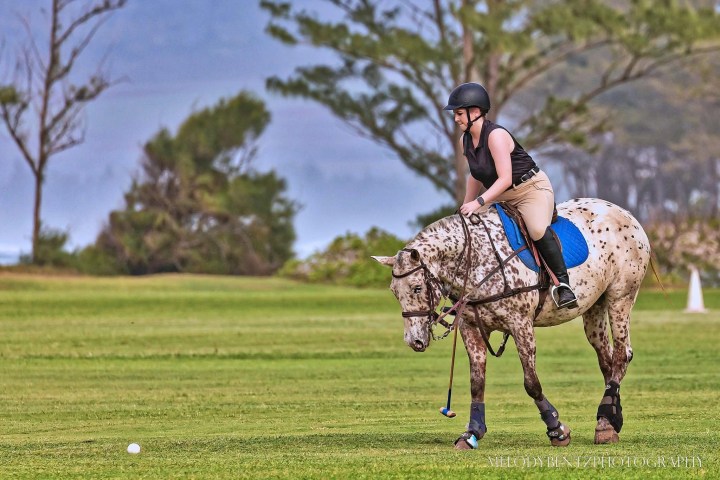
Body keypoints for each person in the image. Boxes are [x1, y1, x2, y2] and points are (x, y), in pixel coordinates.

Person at [444, 82, 577, 309]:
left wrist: (479, 202)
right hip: (502, 195)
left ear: (475, 112)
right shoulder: (465, 140)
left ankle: (563, 285)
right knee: (471, 227)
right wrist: (465, 206)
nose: (456, 118)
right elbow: (475, 175)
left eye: (459, 113)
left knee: (536, 229)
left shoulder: (496, 136)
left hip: (530, 190)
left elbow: (505, 178)